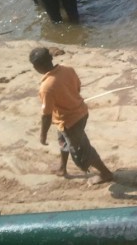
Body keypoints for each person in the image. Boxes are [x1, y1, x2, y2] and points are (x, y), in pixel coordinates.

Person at [29, 47, 114, 185]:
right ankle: (63, 168)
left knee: (82, 150)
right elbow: (77, 87)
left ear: (36, 67)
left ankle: (105, 173)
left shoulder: (46, 87)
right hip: (78, 113)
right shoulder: (67, 69)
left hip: (70, 122)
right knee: (63, 140)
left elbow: (46, 115)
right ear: (51, 59)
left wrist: (43, 134)